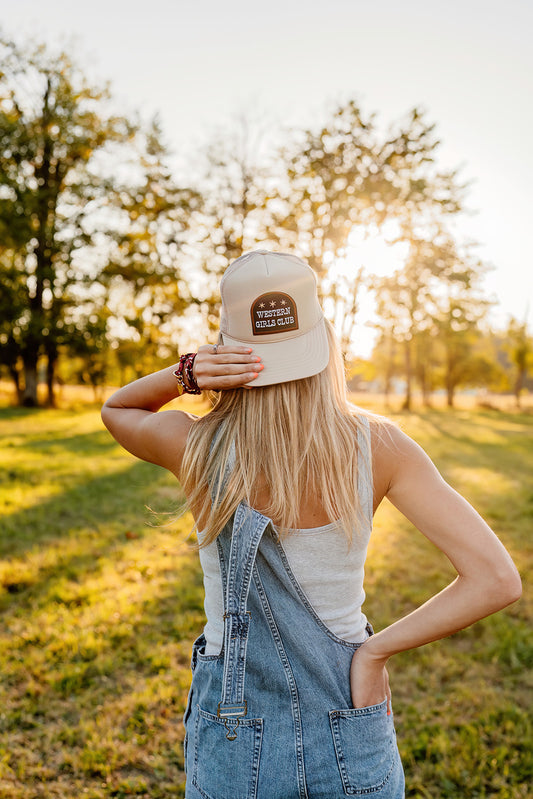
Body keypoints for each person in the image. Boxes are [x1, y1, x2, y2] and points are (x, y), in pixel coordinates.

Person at [101, 249, 521, 799]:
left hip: (233, 735)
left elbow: (118, 409)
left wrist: (187, 374)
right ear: (323, 340)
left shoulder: (195, 445)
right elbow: (496, 578)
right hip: (351, 715)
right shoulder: (380, 447)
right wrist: (373, 653)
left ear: (227, 351)